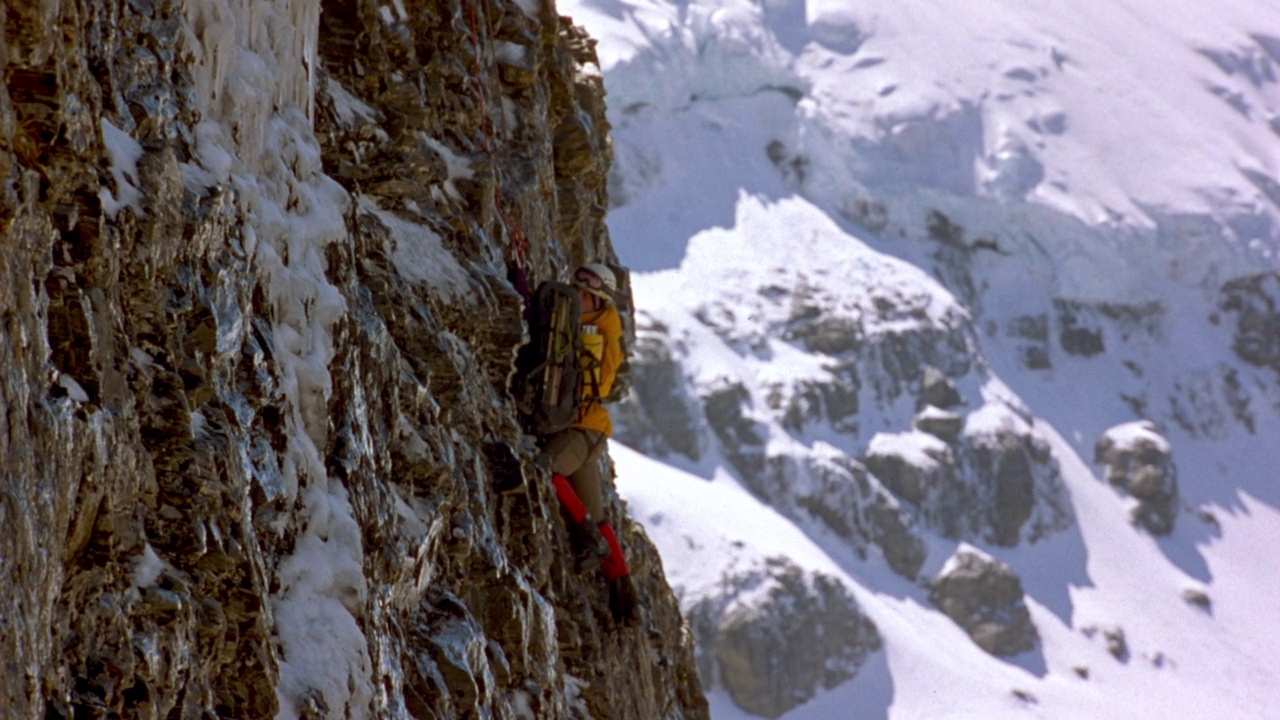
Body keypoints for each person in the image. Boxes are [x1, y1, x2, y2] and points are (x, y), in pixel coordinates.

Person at [538, 262, 637, 621]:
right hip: (585, 430)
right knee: (596, 514)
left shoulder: (605, 333)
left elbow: (603, 385)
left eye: (585, 294)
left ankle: (587, 540)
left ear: (596, 299)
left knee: (545, 470)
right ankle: (623, 589)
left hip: (584, 429)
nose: (577, 298)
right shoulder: (573, 317)